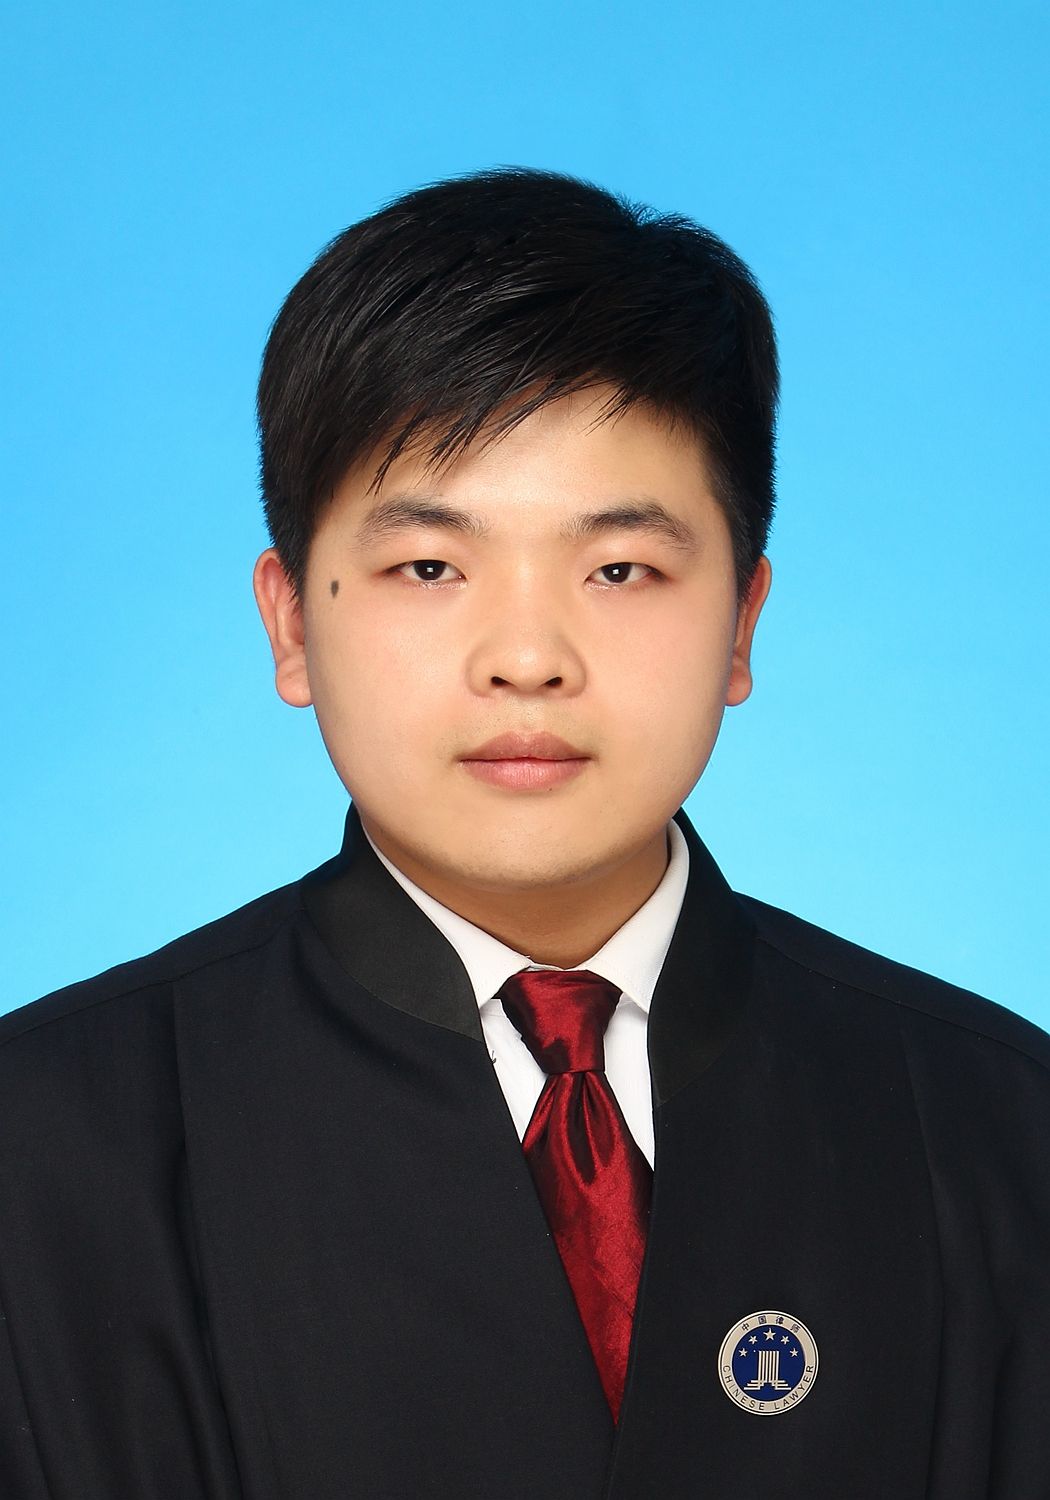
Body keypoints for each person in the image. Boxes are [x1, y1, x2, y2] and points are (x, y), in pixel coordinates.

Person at [1, 167, 1047, 1500]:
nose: (527, 657)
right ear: (291, 623)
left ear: (740, 622)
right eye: (430, 567)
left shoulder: (995, 1128)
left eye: (619, 568)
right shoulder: (44, 1147)